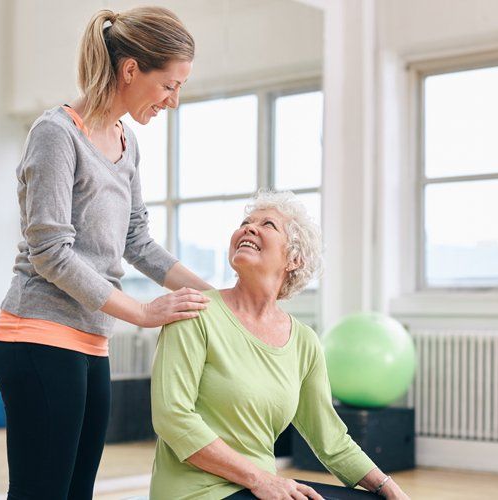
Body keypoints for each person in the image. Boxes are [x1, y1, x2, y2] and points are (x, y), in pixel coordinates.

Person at [0, 7, 211, 500]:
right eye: (169, 85)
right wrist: (143, 312)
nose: (174, 101)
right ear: (131, 69)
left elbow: (137, 240)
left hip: (91, 342)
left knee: (77, 493)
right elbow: (50, 252)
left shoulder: (127, 143)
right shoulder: (56, 134)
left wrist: (217, 296)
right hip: (37, 335)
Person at [151, 190, 411, 500]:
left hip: (260, 488)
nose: (249, 228)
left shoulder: (303, 341)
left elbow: (331, 439)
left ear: (294, 258)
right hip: (198, 491)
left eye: (268, 225)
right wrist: (260, 479)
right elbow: (172, 417)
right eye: (246, 222)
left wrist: (387, 487)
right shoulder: (194, 311)